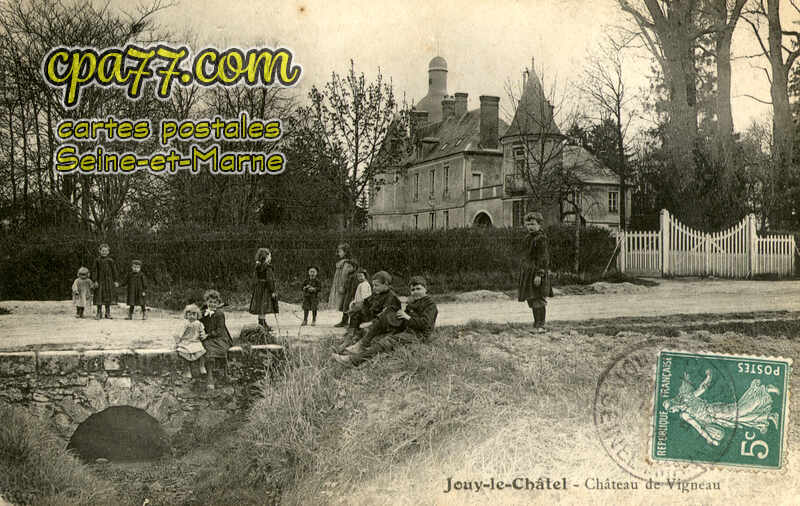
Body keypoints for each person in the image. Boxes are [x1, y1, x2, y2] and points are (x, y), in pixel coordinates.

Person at [333, 276, 438, 367]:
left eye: (418, 289)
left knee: (385, 342)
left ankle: (353, 361)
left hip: (419, 336)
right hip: (408, 330)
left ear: (426, 289)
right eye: (413, 290)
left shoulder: (430, 305)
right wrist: (397, 316)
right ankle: (361, 344)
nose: (415, 292)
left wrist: (407, 317)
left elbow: (425, 324)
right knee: (387, 314)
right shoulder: (415, 302)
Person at [663, 370, 780, 446]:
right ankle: (769, 417)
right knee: (741, 418)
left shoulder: (686, 402)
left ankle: (764, 390)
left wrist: (709, 376)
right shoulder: (685, 410)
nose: (673, 411)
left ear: (674, 404)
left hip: (716, 411)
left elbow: (702, 389)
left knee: (740, 411)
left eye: (671, 409)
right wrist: (711, 439)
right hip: (716, 419)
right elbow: (699, 427)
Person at [340, 270, 400, 349]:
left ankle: (358, 344)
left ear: (385, 284)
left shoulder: (391, 297)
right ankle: (350, 337)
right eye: (373, 285)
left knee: (367, 328)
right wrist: (356, 306)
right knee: (356, 313)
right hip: (372, 319)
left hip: (382, 324)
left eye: (376, 285)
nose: (374, 288)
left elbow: (384, 315)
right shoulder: (377, 293)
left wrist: (370, 323)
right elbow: (366, 302)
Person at [517, 211, 552, 332]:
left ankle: (541, 325)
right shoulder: (528, 239)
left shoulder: (541, 239)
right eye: (527, 224)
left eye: (532, 224)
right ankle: (536, 323)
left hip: (537, 273)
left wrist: (539, 274)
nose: (530, 227)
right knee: (531, 298)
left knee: (538, 298)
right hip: (528, 272)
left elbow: (543, 258)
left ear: (539, 225)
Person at [199, 289, 233, 389]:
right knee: (206, 347)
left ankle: (224, 374)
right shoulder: (204, 312)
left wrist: (208, 335)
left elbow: (220, 330)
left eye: (215, 302)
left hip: (220, 337)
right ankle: (210, 376)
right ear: (206, 302)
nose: (212, 304)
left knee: (217, 349)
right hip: (209, 337)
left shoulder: (220, 314)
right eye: (210, 302)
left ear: (218, 303)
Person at [174, 304, 208, 386]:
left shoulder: (199, 323)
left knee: (201, 351)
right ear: (186, 315)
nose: (192, 316)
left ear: (197, 315)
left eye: (194, 314)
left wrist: (203, 335)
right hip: (186, 342)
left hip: (195, 341)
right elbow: (179, 334)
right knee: (184, 354)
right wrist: (177, 343)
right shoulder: (185, 324)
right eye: (189, 314)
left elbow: (201, 332)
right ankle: (187, 370)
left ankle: (202, 366)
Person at [248, 247, 278, 330]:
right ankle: (262, 323)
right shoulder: (268, 268)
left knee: (260, 306)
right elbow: (270, 280)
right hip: (265, 289)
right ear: (266, 257)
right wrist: (272, 291)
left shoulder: (257, 266)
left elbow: (254, 279)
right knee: (263, 307)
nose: (271, 258)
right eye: (270, 256)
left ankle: (262, 322)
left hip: (259, 289)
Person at [329, 243, 357, 327]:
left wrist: (343, 286)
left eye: (340, 251)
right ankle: (345, 320)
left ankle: (347, 321)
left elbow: (345, 276)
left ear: (345, 252)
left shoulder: (348, 263)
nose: (338, 253)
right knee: (344, 303)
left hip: (348, 286)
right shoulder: (343, 262)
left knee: (347, 303)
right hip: (345, 285)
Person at [91, 243, 119, 320]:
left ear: (108, 252)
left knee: (108, 297)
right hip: (100, 282)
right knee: (99, 297)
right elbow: (94, 271)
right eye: (102, 251)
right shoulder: (97, 260)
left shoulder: (111, 261)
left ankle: (107, 312)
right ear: (99, 251)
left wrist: (116, 280)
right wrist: (95, 280)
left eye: (106, 251)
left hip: (108, 281)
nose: (104, 252)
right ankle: (99, 312)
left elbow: (114, 271)